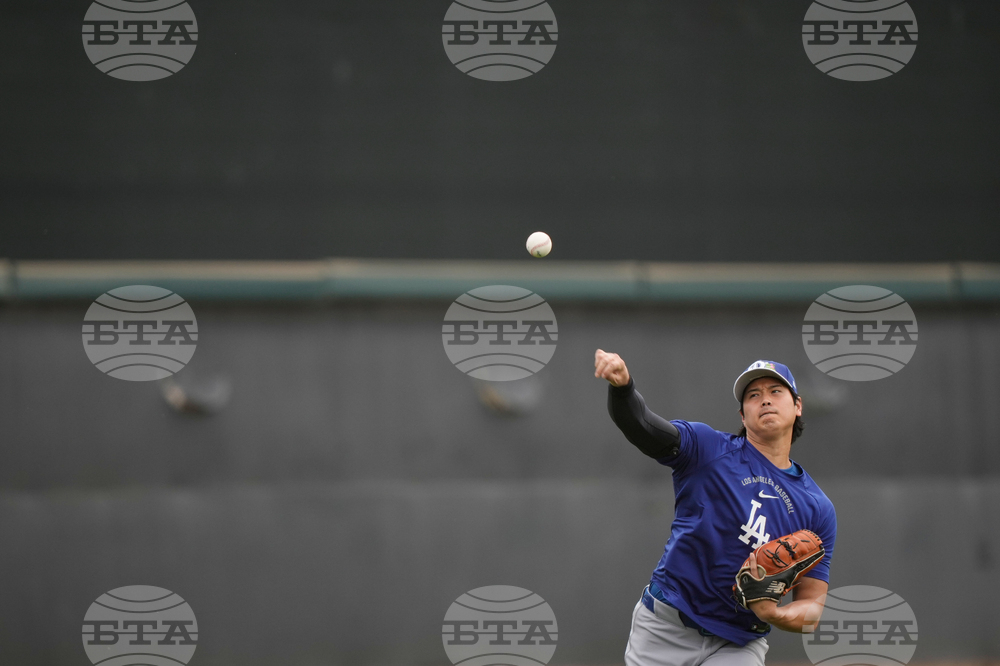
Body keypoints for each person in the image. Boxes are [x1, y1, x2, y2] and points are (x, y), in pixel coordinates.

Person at [594, 351, 837, 666]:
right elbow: (643, 427)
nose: (765, 400)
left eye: (776, 392)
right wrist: (623, 387)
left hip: (738, 644)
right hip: (665, 627)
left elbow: (811, 611)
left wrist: (773, 613)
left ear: (798, 405)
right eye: (754, 395)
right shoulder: (708, 450)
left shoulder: (816, 508)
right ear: (742, 414)